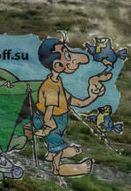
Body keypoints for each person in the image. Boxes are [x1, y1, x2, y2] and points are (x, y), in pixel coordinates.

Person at [33, 37, 113, 177]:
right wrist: (49, 126)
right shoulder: (51, 86)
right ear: (57, 65)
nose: (74, 59)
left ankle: (52, 154)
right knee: (62, 150)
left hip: (57, 121)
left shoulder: (58, 85)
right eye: (67, 55)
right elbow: (49, 110)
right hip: (51, 121)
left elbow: (79, 103)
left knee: (62, 148)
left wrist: (93, 96)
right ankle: (60, 168)